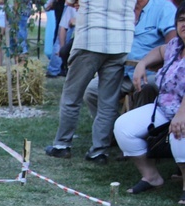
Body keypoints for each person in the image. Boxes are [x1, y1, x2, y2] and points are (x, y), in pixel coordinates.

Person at [45, 0, 136, 164]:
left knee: (72, 96)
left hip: (90, 38)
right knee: (108, 102)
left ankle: (61, 145)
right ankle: (99, 151)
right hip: (121, 40)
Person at [114, 3, 185, 204]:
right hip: (165, 107)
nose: (184, 24)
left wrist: (181, 113)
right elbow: (160, 51)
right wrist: (142, 64)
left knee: (180, 132)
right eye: (181, 19)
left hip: (183, 112)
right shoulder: (175, 47)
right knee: (123, 127)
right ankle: (152, 176)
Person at [84, 0, 176, 122]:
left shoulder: (164, 7)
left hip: (149, 72)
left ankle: (141, 132)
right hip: (121, 70)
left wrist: (151, 65)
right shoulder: (120, 7)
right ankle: (114, 135)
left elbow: (172, 47)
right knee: (92, 91)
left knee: (146, 89)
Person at [46, 0, 77, 78]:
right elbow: (63, 28)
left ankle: (55, 68)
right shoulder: (71, 8)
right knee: (61, 36)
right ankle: (56, 67)